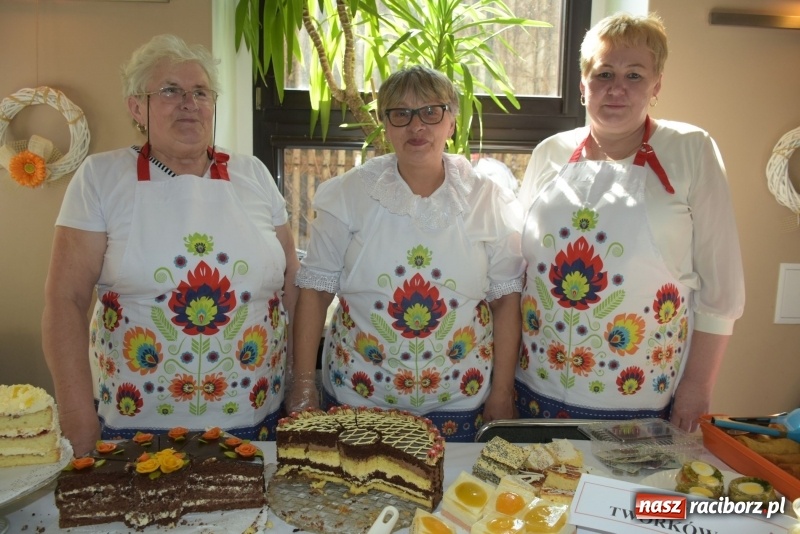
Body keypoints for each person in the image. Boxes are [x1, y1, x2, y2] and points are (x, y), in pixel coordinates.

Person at [42, 34, 299, 456]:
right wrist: (76, 420)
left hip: (256, 420)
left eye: (200, 91)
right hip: (136, 429)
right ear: (135, 107)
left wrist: (296, 384)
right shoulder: (101, 178)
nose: (188, 102)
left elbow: (291, 282)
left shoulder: (252, 174)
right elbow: (64, 301)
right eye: (169, 91)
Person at [515, 13, 744, 433]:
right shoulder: (549, 153)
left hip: (642, 397)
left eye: (634, 75)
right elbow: (519, 269)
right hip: (536, 388)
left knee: (636, 499)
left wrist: (696, 387)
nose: (617, 88)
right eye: (604, 73)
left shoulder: (691, 150)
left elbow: (721, 290)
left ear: (656, 86)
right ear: (583, 85)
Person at [286, 66, 524, 441]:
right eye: (401, 114)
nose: (417, 127)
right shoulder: (347, 195)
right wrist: (302, 386)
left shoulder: (486, 198)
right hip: (359, 401)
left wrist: (501, 391)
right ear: (386, 125)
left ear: (451, 122)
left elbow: (506, 302)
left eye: (432, 112)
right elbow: (315, 294)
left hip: (461, 405)